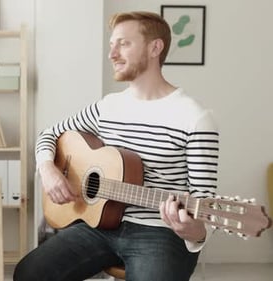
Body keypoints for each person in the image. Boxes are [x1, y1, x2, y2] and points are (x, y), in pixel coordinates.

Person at [13, 11, 219, 281]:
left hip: (160, 233)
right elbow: (48, 134)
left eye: (123, 43)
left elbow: (206, 207)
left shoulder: (195, 117)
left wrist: (193, 230)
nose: (112, 54)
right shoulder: (108, 107)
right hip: (100, 226)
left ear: (155, 47)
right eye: (112, 45)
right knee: (28, 274)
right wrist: (48, 170)